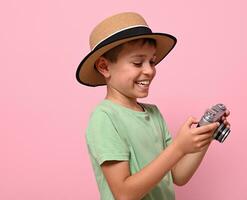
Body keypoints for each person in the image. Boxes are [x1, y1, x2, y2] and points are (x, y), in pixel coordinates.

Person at [76, 12, 230, 200]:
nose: (149, 70)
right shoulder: (104, 118)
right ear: (104, 67)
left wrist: (204, 135)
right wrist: (179, 148)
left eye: (152, 62)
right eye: (138, 62)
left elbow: (178, 175)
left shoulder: (154, 114)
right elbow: (124, 194)